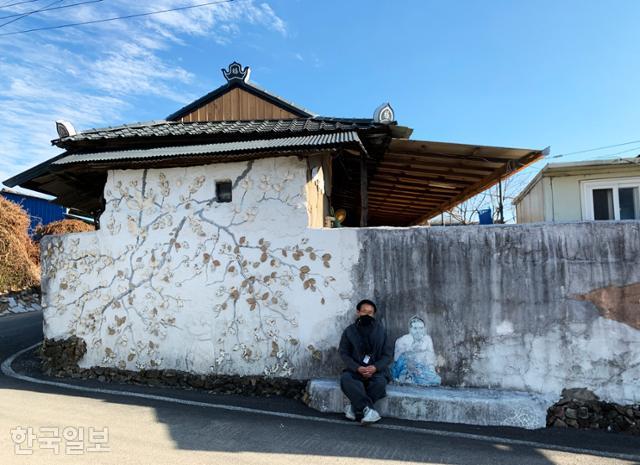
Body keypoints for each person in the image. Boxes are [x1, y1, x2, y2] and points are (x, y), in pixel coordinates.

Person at [338, 299, 393, 424]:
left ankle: (355, 407)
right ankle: (369, 411)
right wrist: (357, 368)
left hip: (376, 371)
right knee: (346, 379)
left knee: (379, 383)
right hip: (355, 370)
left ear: (373, 315)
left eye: (370, 312)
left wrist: (375, 367)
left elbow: (388, 355)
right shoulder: (349, 331)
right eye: (364, 311)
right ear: (358, 312)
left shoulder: (381, 332)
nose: (367, 315)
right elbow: (344, 353)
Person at [391, 316, 441, 386]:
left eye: (421, 328)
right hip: (405, 367)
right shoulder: (402, 340)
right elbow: (397, 360)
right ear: (410, 329)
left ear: (424, 329)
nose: (418, 331)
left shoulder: (427, 339)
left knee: (434, 379)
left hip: (422, 368)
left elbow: (431, 356)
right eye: (415, 328)